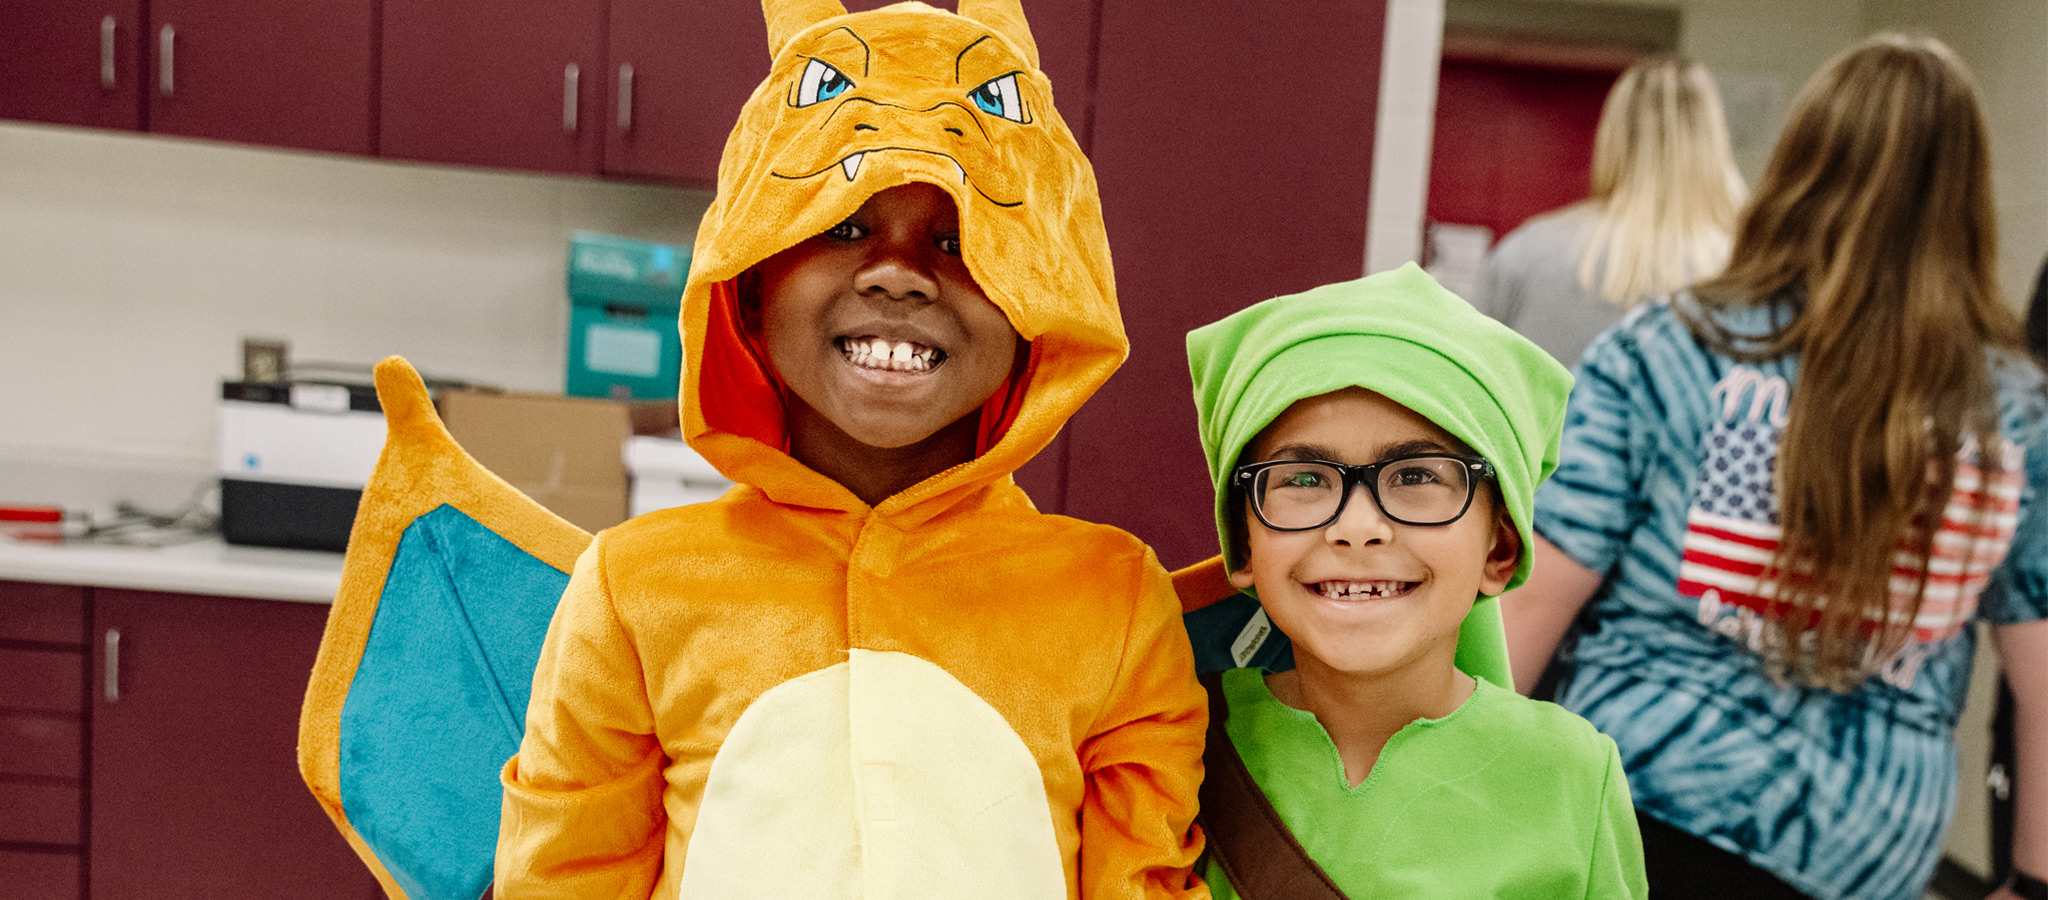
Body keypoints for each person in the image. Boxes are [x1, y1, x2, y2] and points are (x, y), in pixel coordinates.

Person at [492, 0, 1207, 896]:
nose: (898, 272)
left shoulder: (1115, 601)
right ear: (750, 286)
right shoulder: (635, 590)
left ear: (1035, 312)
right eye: (844, 226)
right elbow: (563, 878)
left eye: (957, 239)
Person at [1499, 34, 2048, 900]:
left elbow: (1538, 590)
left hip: (1636, 795)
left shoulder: (1671, 347)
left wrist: (1471, 782)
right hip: (1863, 845)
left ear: (1797, 168)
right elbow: (2041, 660)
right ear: (1965, 201)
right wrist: (2035, 876)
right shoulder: (2010, 411)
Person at [1178, 265, 1646, 898]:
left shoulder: (1572, 776)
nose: (1358, 527)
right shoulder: (1172, 736)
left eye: (1418, 477)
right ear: (1243, 543)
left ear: (1499, 548)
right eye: (1307, 480)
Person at [1470, 57, 1747, 366]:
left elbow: (1468, 379)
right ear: (1715, 138)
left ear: (1612, 136)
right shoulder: (1742, 269)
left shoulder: (1527, 253)